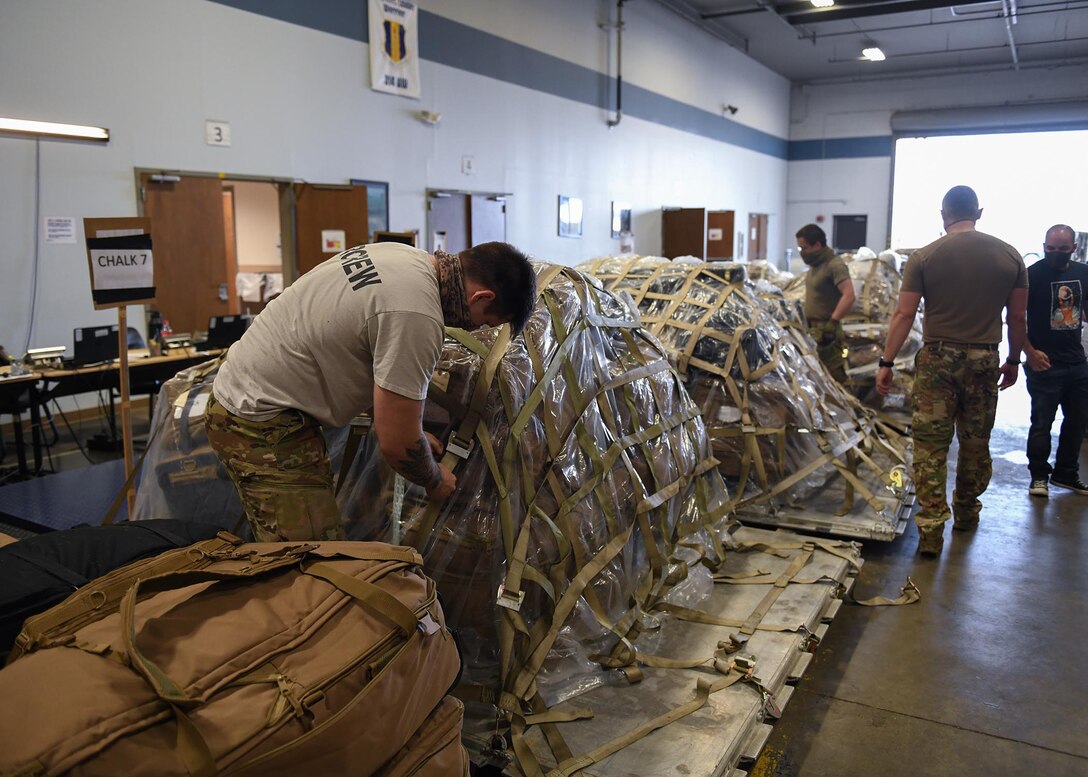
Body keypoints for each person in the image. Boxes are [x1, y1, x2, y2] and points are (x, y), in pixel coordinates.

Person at [206, 240, 537, 542]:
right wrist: (435, 479)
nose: (474, 329)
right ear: (482, 297)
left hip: (246, 389)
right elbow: (396, 444)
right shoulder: (417, 316)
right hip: (259, 421)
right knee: (309, 562)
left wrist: (410, 427)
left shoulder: (402, 257)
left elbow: (358, 344)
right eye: (484, 322)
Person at [876, 185, 1026, 557]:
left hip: (938, 361)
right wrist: (1014, 361)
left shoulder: (925, 257)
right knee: (975, 442)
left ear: (944, 214)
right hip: (985, 360)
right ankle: (966, 514)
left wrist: (887, 362)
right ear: (979, 212)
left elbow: (904, 315)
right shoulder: (1010, 256)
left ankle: (929, 533)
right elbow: (1018, 317)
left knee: (930, 446)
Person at [1023, 224, 1088, 498]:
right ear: (1044, 246)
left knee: (1077, 423)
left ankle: (1066, 474)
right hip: (1044, 364)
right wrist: (1028, 352)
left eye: (1062, 249)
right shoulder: (1032, 275)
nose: (1056, 254)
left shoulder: (1083, 273)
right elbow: (1014, 320)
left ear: (1073, 248)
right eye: (1050, 249)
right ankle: (1039, 477)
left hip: (1076, 364)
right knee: (1042, 424)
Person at [796, 224, 856, 386]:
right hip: (813, 329)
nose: (802, 253)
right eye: (799, 248)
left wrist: (833, 322)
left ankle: (845, 409)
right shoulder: (816, 265)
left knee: (834, 378)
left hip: (827, 331)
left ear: (817, 245)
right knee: (816, 378)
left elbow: (849, 295)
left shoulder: (834, 265)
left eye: (804, 248)